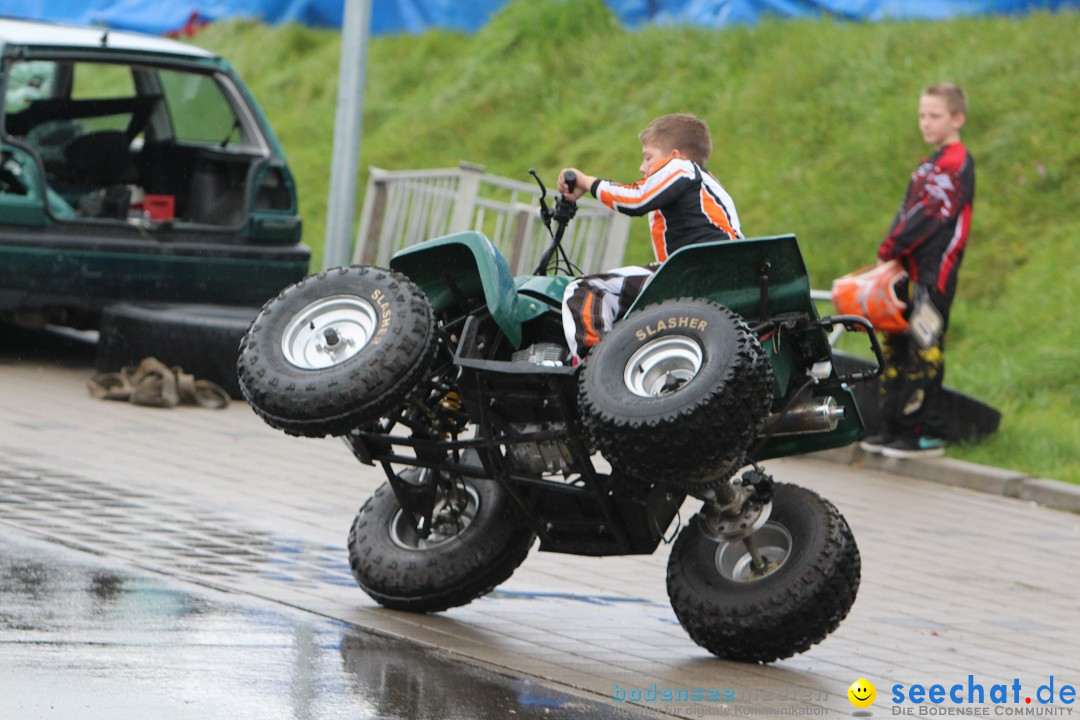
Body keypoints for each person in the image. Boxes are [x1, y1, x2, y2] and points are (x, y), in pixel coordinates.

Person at [556, 113, 742, 362]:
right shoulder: (707, 182)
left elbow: (637, 199)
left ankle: (593, 372)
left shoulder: (681, 168)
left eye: (648, 157)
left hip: (696, 272)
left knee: (585, 289)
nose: (642, 167)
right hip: (720, 272)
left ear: (674, 155)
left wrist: (586, 181)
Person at [860, 83, 975, 459]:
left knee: (925, 347)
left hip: (934, 275)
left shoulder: (956, 162)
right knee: (895, 345)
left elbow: (929, 216)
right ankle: (891, 425)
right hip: (905, 272)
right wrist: (891, 255)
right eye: (922, 115)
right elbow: (906, 212)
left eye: (935, 115)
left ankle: (921, 432)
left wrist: (890, 248)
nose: (926, 122)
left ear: (957, 118)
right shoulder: (929, 162)